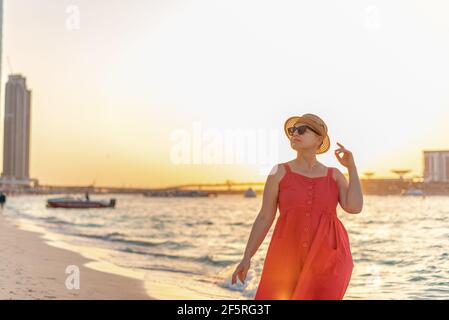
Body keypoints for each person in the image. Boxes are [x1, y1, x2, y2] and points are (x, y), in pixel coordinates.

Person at [231, 113, 364, 300]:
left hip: (328, 257)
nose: (295, 133)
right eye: (292, 130)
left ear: (319, 139)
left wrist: (352, 168)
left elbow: (354, 207)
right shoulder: (279, 172)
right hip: (285, 254)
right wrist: (247, 257)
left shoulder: (334, 175)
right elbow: (264, 217)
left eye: (301, 130)